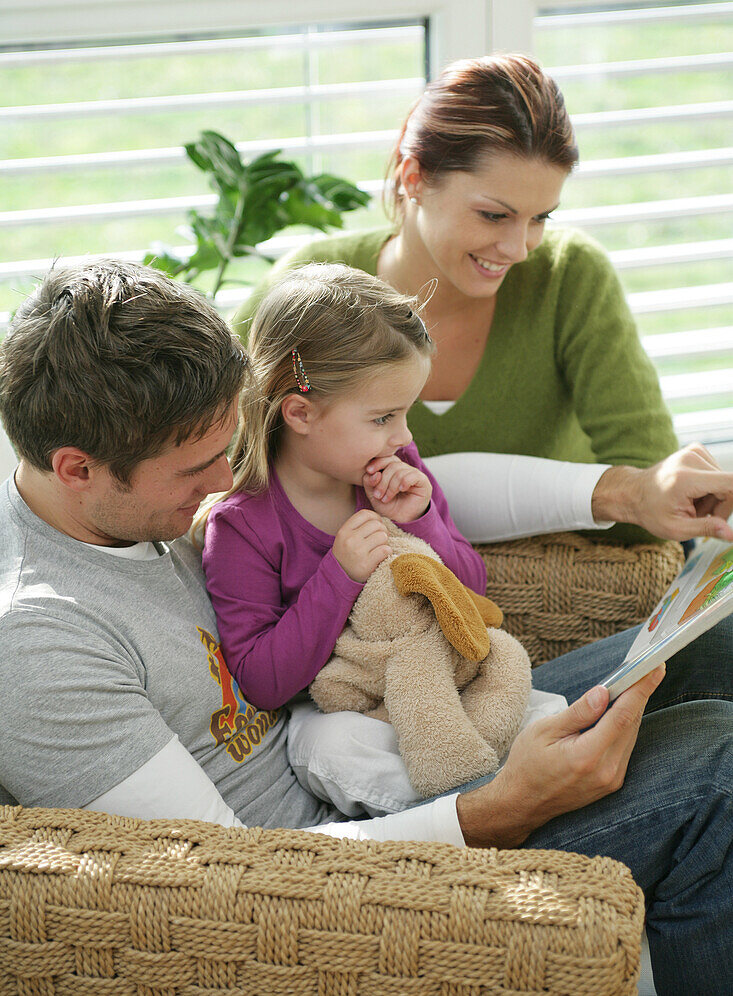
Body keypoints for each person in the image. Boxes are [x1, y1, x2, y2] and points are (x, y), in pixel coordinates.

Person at [0, 260, 731, 995]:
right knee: (715, 767)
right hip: (343, 865)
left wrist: (628, 491)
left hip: (382, 728)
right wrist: (506, 806)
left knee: (715, 642)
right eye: (197, 468)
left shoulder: (125, 502)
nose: (223, 481)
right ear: (76, 468)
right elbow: (226, 884)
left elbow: (422, 479)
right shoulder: (45, 645)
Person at [232, 52, 679, 543]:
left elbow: (652, 507)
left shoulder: (569, 275)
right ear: (414, 177)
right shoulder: (306, 293)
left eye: (540, 218)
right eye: (493, 215)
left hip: (566, 597)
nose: (518, 249)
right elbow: (219, 484)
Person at [201, 263, 561, 816]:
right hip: (350, 709)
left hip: (440, 682)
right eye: (384, 417)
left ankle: (523, 785)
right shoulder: (244, 526)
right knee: (329, 749)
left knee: (530, 698)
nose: (405, 435)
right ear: (300, 412)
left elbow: (471, 598)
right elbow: (263, 682)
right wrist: (339, 576)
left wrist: (421, 522)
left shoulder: (395, 469)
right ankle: (481, 813)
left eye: (406, 413)